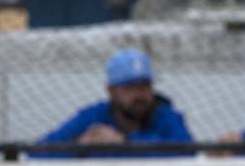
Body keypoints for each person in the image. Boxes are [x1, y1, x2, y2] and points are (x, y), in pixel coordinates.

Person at [37, 48, 194, 157]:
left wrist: (125, 143)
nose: (140, 94)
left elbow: (188, 153)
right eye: (130, 87)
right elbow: (36, 153)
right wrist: (79, 147)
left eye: (145, 86)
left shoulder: (166, 116)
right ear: (111, 90)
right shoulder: (93, 117)